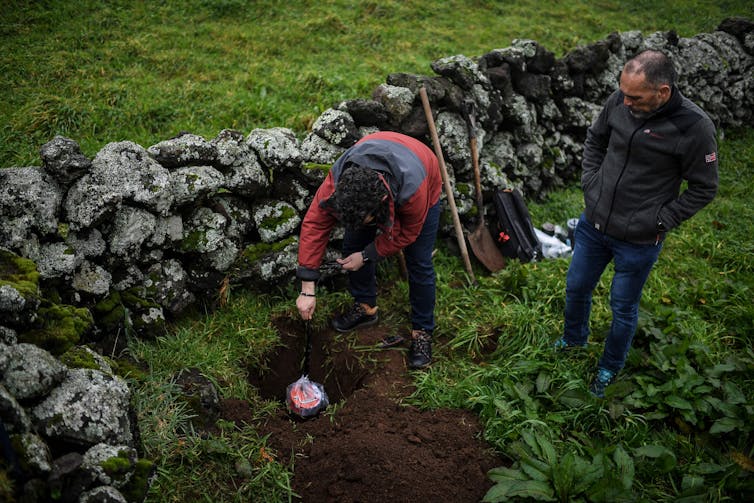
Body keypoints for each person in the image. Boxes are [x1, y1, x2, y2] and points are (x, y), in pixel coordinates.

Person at [555, 49, 719, 397]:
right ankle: (572, 342)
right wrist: (591, 183)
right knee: (576, 287)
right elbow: (596, 139)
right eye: (624, 93)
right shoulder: (620, 99)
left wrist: (661, 219)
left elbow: (705, 187)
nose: (626, 102)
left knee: (623, 307)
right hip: (594, 225)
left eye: (636, 97)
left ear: (663, 92)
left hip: (639, 240)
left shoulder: (694, 127)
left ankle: (609, 368)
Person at [296, 131, 443, 369]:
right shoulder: (340, 179)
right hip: (380, 157)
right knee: (353, 242)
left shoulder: (413, 190)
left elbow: (408, 233)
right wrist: (307, 288)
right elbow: (315, 222)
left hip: (423, 171)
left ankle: (422, 331)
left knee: (419, 261)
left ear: (382, 202)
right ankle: (365, 308)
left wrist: (367, 255)